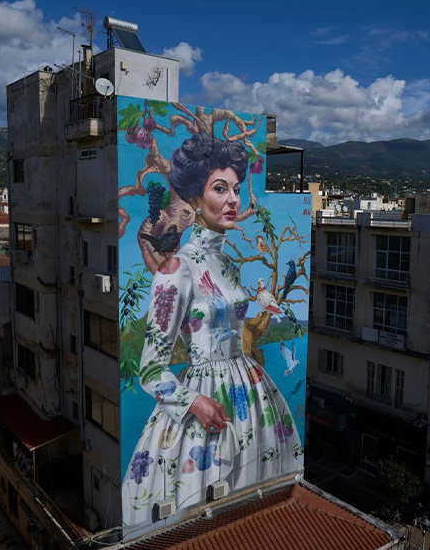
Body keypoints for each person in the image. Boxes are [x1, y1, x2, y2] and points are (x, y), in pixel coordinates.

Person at [121, 133, 303, 525]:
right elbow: (150, 370)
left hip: (251, 397)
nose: (233, 199)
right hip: (204, 405)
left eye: (236, 189)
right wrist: (195, 404)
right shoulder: (176, 269)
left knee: (256, 514)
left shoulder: (229, 266)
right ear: (194, 198)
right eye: (220, 189)